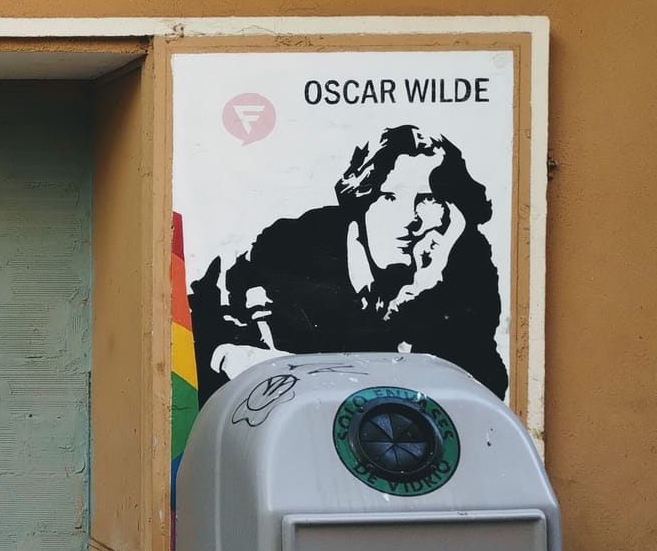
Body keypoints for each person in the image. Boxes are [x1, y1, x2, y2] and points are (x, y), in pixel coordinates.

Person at [191, 124, 509, 403]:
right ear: (362, 196)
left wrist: (423, 291)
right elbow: (196, 328)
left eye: (428, 199)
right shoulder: (285, 247)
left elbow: (486, 385)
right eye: (391, 197)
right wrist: (227, 356)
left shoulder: (464, 264)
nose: (412, 219)